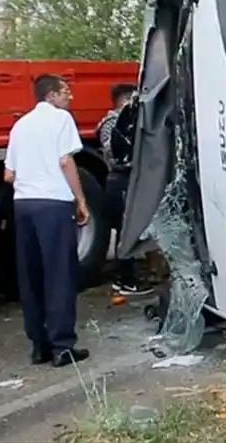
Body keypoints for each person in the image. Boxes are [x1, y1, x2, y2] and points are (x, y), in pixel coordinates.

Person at [4, 74, 90, 367]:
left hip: (24, 205)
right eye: (65, 92)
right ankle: (62, 346)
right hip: (53, 203)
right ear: (50, 95)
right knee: (59, 274)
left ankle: (38, 346)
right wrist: (80, 199)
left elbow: (9, 174)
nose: (70, 98)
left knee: (32, 276)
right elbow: (65, 161)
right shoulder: (60, 119)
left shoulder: (20, 126)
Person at [96, 83, 152, 295]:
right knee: (124, 230)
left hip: (127, 180)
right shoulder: (112, 122)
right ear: (126, 100)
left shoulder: (126, 121)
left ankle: (129, 274)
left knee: (130, 229)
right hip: (119, 180)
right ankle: (124, 278)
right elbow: (113, 150)